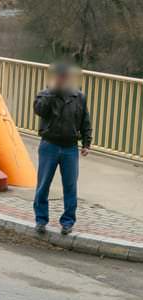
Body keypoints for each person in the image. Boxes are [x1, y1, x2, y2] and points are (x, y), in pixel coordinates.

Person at [33, 62, 92, 235]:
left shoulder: (79, 97)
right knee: (43, 185)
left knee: (70, 186)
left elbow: (85, 120)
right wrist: (52, 92)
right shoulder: (45, 94)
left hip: (70, 148)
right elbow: (40, 111)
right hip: (49, 145)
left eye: (65, 76)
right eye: (59, 76)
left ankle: (67, 222)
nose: (62, 79)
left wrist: (87, 142)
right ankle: (41, 220)